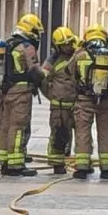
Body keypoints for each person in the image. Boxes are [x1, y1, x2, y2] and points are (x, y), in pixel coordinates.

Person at [0, 13, 45, 176]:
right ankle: (16, 164)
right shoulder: (26, 47)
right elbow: (34, 70)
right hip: (21, 92)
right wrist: (45, 75)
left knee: (5, 127)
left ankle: (4, 161)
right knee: (18, 128)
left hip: (7, 91)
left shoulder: (9, 44)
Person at [71, 24, 108, 180]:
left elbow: (69, 72)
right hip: (106, 101)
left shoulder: (80, 55)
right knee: (106, 133)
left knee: (83, 132)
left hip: (84, 100)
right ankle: (106, 169)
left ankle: (82, 167)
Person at [41, 27, 78, 175]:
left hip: (77, 104)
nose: (67, 47)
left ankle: (82, 163)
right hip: (59, 107)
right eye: (64, 45)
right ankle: (57, 164)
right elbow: (43, 80)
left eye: (69, 43)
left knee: (82, 135)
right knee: (58, 134)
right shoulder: (52, 62)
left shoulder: (78, 56)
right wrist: (52, 95)